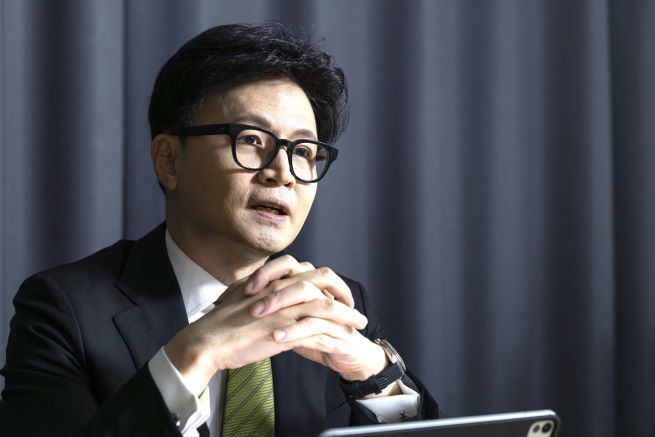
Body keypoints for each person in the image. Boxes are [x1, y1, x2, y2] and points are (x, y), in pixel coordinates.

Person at [0, 22, 439, 436]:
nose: (282, 173)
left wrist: (374, 376)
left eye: (303, 151)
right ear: (169, 160)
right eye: (250, 140)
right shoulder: (65, 310)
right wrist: (195, 354)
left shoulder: (335, 303)